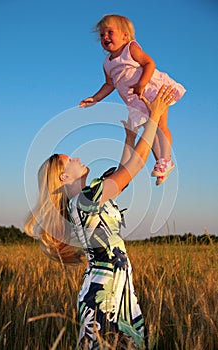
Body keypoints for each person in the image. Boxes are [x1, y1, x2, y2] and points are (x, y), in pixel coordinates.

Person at [25, 86, 175, 349]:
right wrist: (154, 118)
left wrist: (130, 138)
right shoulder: (85, 200)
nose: (78, 157)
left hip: (114, 290)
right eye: (70, 159)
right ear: (63, 177)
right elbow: (135, 167)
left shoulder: (87, 197)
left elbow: (123, 175)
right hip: (105, 295)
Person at [80, 14, 186, 186]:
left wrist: (142, 84)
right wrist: (95, 98)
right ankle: (162, 162)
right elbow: (109, 84)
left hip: (151, 91)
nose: (105, 37)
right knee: (149, 134)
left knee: (160, 126)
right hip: (135, 101)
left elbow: (149, 63)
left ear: (125, 35)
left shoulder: (131, 49)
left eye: (109, 32)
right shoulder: (107, 63)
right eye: (101, 35)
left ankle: (166, 158)